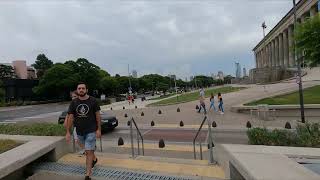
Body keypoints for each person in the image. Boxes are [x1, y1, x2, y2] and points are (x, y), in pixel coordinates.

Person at [66, 82, 101, 180]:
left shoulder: (93, 101)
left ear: (86, 90)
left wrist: (98, 129)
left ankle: (88, 174)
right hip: (79, 131)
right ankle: (94, 159)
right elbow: (71, 118)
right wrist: (68, 132)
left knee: (89, 151)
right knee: (86, 149)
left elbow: (98, 116)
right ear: (77, 90)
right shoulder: (74, 102)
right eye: (79, 88)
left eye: (83, 88)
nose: (81, 90)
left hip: (91, 130)